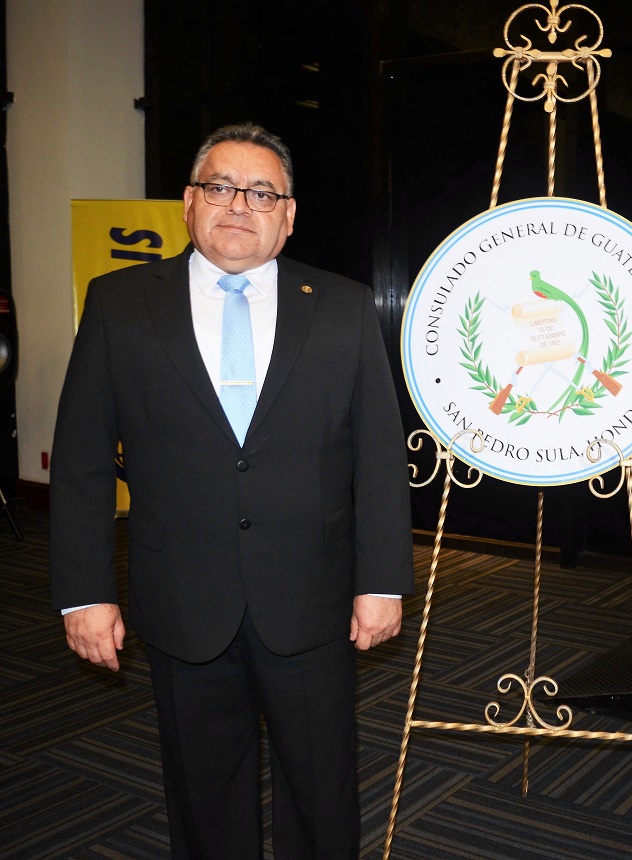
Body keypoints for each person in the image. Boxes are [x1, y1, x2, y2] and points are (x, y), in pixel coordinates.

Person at [49, 122, 414, 858]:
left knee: (320, 792)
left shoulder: (342, 306)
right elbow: (84, 460)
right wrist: (85, 593)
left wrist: (383, 580)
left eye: (261, 192)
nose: (238, 204)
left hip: (312, 600)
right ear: (188, 203)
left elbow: (377, 455)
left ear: (288, 215)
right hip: (182, 599)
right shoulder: (119, 302)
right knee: (204, 793)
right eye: (220, 186)